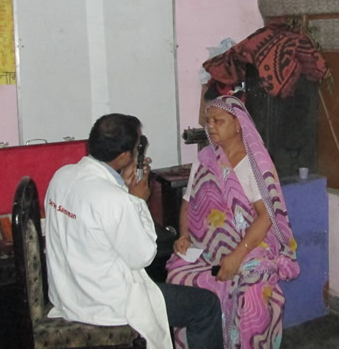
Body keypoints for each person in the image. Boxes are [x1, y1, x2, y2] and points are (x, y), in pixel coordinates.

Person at [45, 114, 224, 349]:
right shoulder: (115, 200)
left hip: (68, 294)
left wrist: (123, 188)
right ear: (123, 156)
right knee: (206, 305)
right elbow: (143, 256)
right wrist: (138, 201)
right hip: (105, 305)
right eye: (137, 146)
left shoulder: (61, 176)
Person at [166, 95, 300, 348]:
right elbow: (188, 202)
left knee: (251, 289)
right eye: (208, 121)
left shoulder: (255, 163)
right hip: (206, 247)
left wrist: (237, 256)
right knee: (178, 276)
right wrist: (184, 236)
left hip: (251, 245)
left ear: (238, 124)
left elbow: (266, 217)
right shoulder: (205, 158)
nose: (211, 126)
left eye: (219, 121)